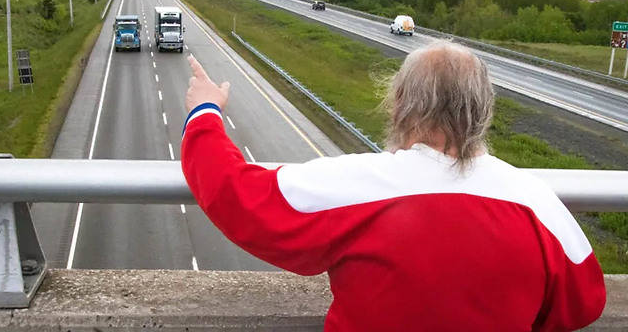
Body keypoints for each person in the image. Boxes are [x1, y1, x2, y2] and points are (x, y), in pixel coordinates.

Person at [180, 41, 606, 331]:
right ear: (483, 110)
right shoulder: (535, 202)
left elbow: (235, 193)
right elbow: (586, 301)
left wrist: (204, 111)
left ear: (400, 104)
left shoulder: (356, 185)